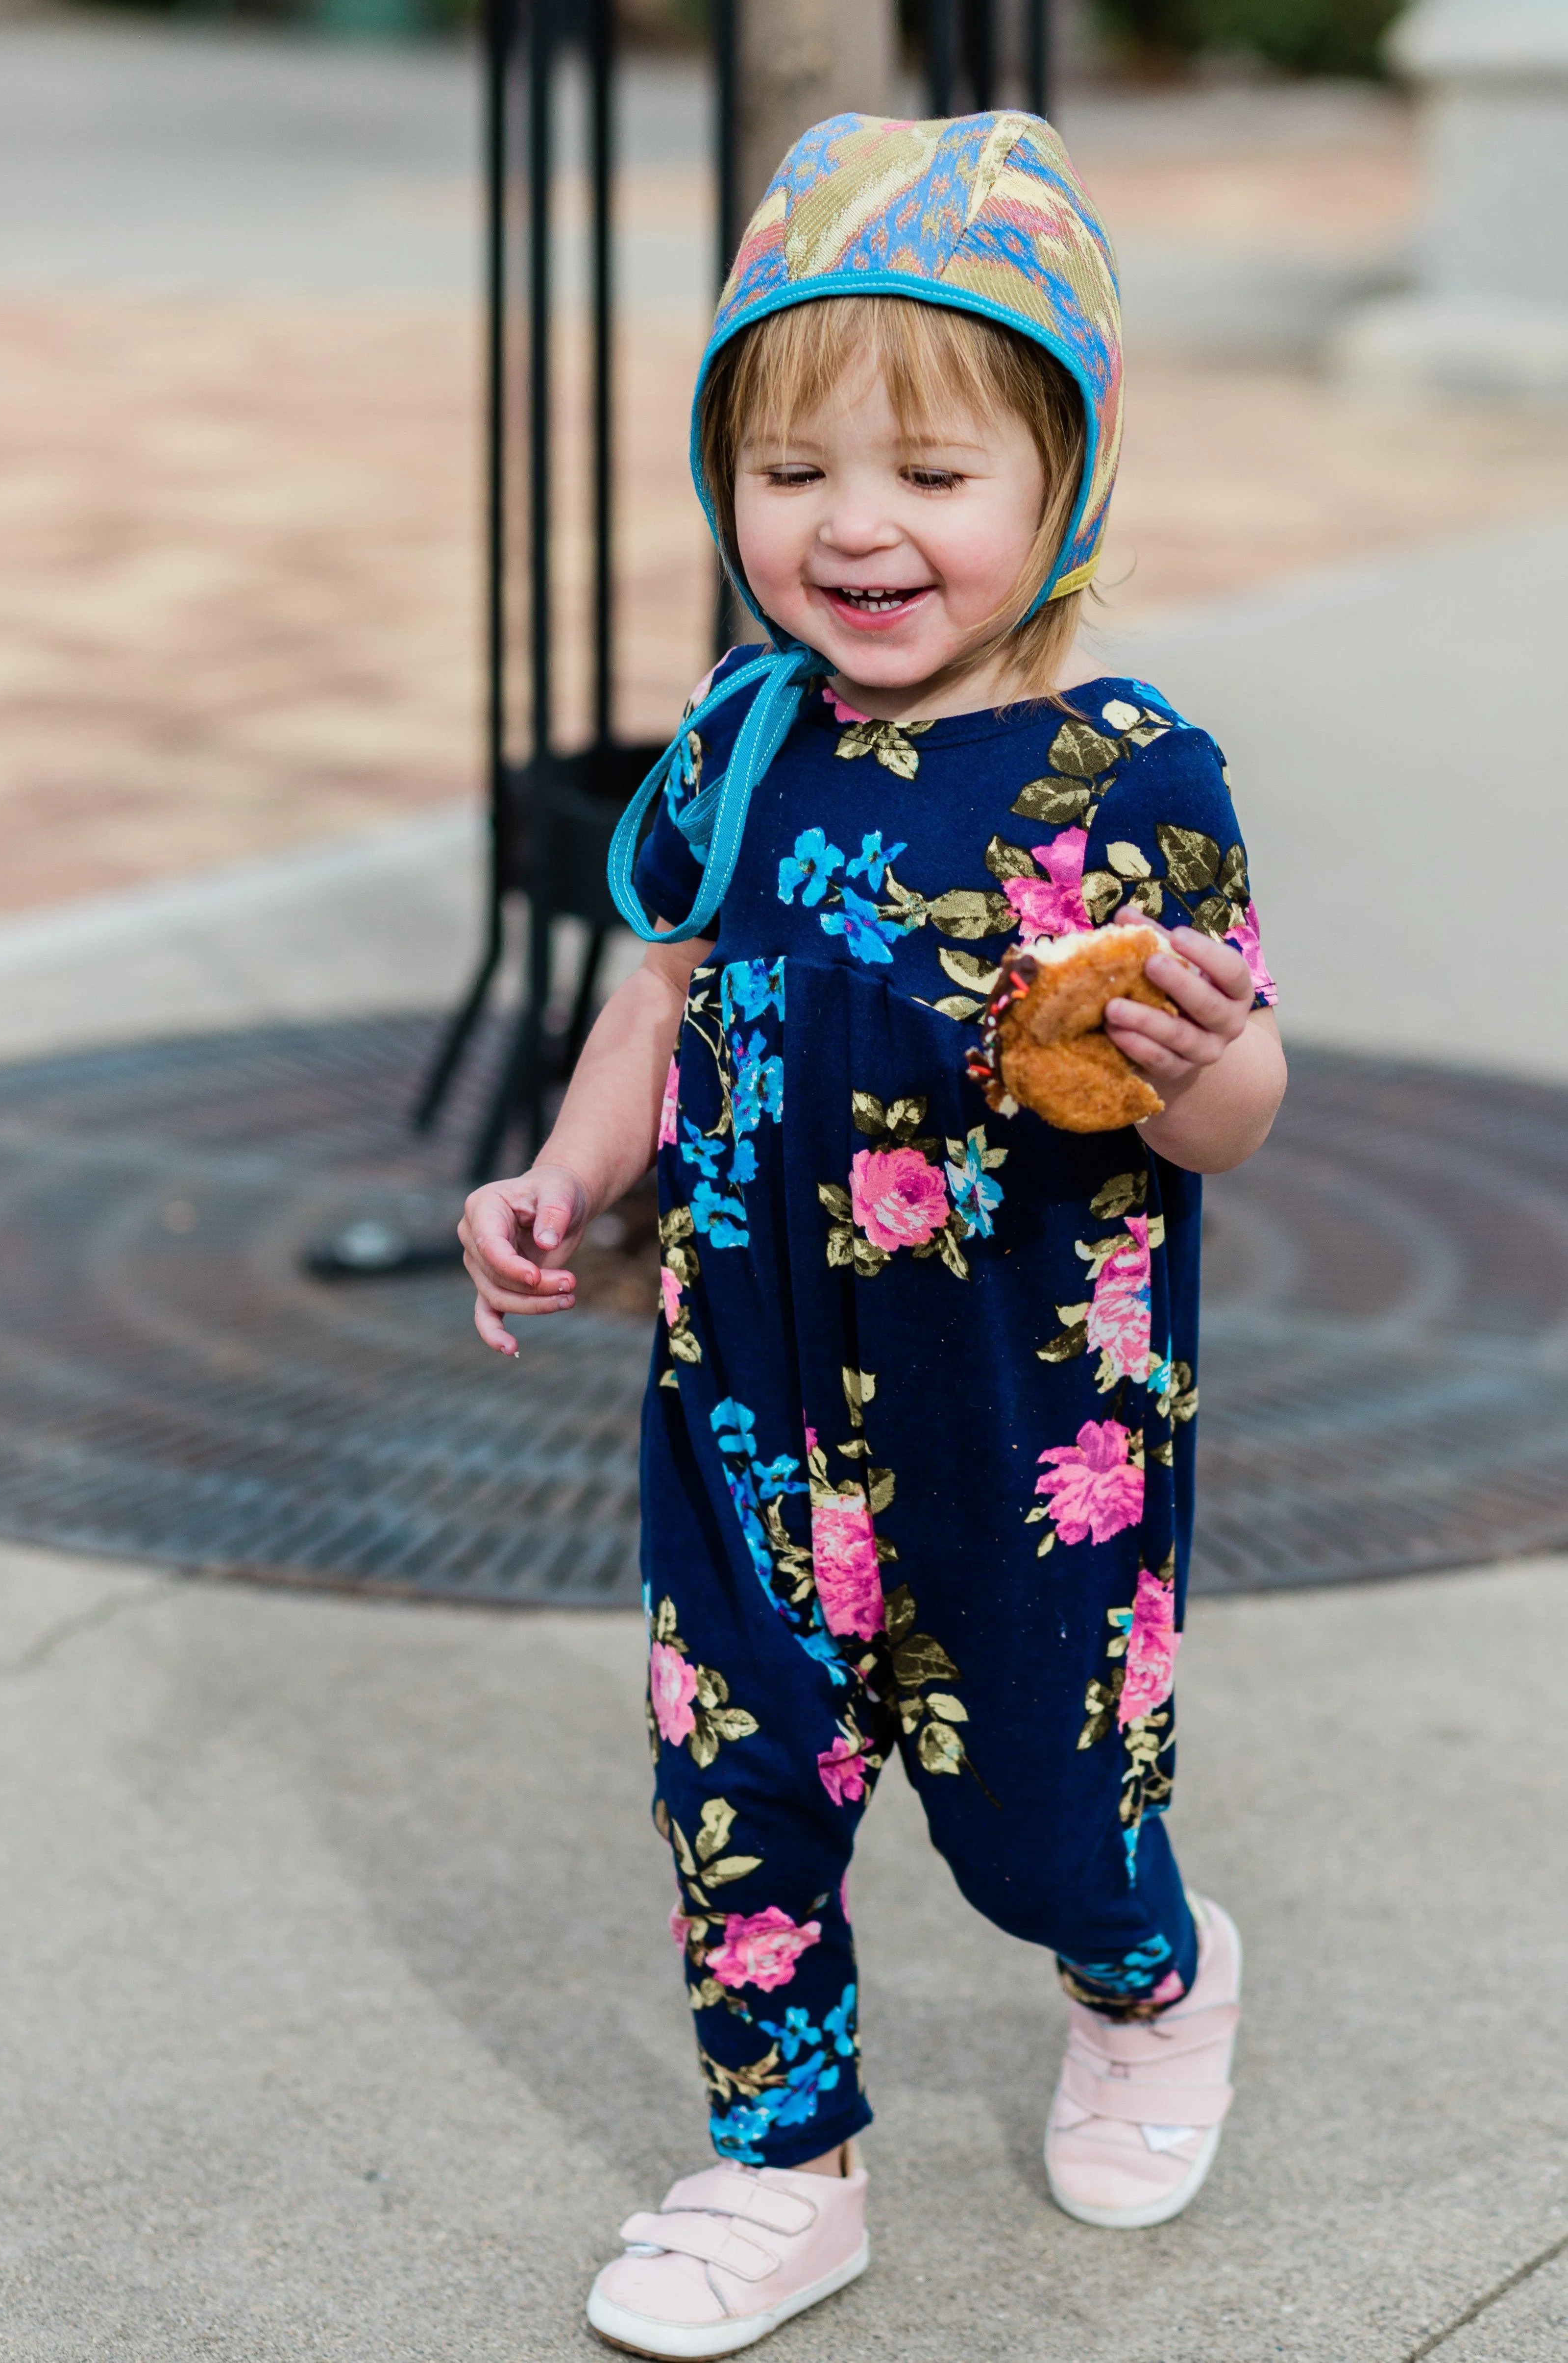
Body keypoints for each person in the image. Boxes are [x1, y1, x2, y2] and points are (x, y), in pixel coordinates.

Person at [461, 109, 1286, 2360]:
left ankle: (1148, 1977)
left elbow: (1227, 1107)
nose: (853, 526)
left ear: (1062, 489)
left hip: (1025, 1422)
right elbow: (658, 988)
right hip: (739, 1406)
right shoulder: (734, 743)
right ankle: (780, 2162)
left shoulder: (1128, 778)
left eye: (931, 472)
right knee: (733, 1779)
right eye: (792, 464)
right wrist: (562, 1175)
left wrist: (1199, 1046)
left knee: (1043, 1812)